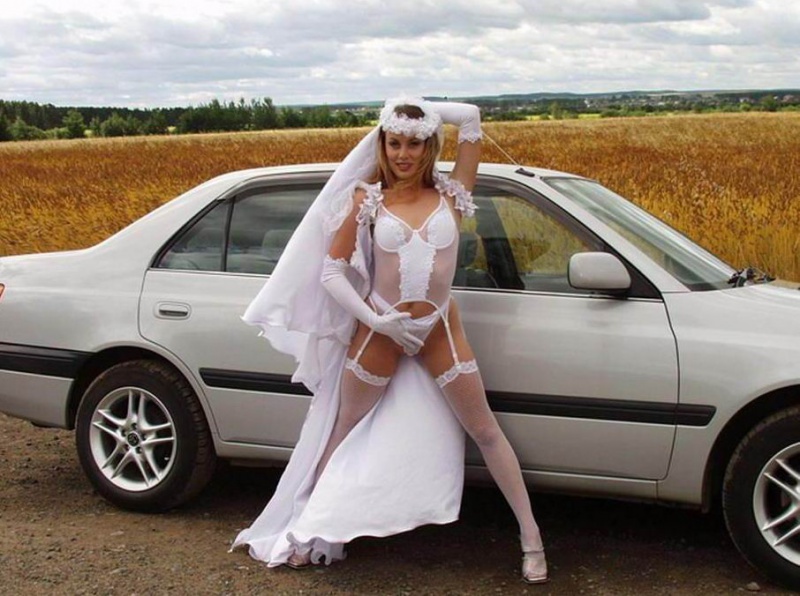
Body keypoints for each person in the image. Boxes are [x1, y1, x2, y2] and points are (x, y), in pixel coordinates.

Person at [230, 97, 548, 584]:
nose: (403, 153)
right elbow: (332, 271)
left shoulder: (454, 192)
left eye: (415, 143)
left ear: (430, 145)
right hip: (380, 329)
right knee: (341, 433)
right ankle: (305, 532)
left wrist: (414, 104)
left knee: (484, 430)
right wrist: (378, 323)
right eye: (394, 142)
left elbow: (470, 117)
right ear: (382, 144)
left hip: (438, 328)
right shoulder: (368, 199)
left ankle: (531, 539)